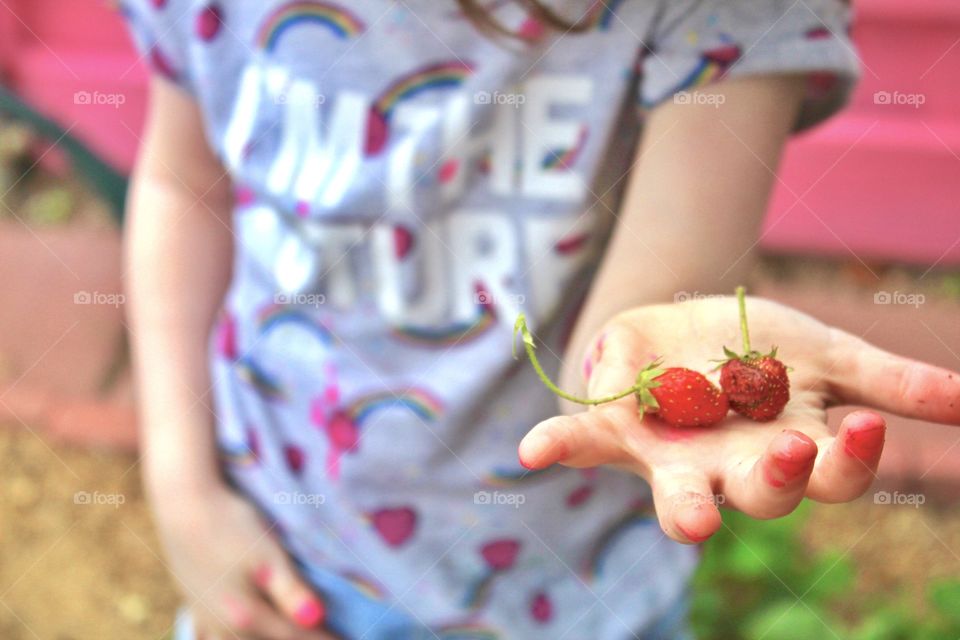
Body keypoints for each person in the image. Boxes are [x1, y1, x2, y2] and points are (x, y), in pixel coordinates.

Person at [122, 1, 960, 638]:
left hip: (570, 590)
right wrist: (180, 487)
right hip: (286, 546)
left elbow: (632, 339)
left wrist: (637, 380)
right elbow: (177, 186)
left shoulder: (717, 13)